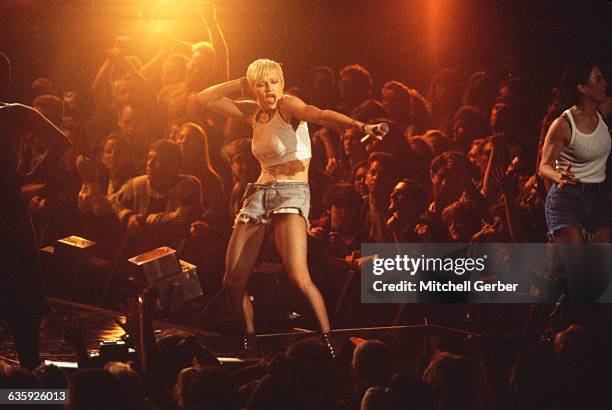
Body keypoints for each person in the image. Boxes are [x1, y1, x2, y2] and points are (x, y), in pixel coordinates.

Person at [197, 58, 386, 357]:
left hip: (291, 192)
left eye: (274, 82)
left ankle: (329, 341)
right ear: (253, 89)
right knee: (232, 280)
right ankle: (250, 342)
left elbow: (321, 114)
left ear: (282, 84)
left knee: (298, 276)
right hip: (260, 191)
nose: (269, 89)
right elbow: (204, 98)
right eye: (261, 84)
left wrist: (361, 125)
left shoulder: (288, 106)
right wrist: (240, 82)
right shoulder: (251, 111)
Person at [0, 51, 72, 369]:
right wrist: (33, 178)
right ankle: (30, 389)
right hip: (10, 211)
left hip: (9, 213)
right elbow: (61, 144)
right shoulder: (17, 113)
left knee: (22, 304)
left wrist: (33, 178)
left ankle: (27, 393)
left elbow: (61, 144)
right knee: (22, 305)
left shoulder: (16, 113)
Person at [539, 61, 611, 243]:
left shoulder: (602, 114)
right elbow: (544, 166)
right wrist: (558, 176)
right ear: (582, 88)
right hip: (567, 199)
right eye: (598, 79)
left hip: (596, 197)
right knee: (578, 268)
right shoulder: (563, 125)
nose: (605, 83)